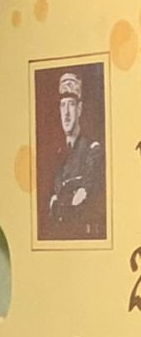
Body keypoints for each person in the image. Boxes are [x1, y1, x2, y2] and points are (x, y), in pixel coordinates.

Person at [46, 71, 106, 240]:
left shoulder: (92, 150)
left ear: (79, 109)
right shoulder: (59, 157)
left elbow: (81, 201)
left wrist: (61, 203)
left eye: (71, 105)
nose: (66, 113)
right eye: (62, 105)